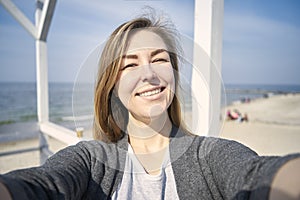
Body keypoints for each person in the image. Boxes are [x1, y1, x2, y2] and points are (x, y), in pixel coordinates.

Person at [1, 14, 300, 200]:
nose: (148, 74)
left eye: (159, 59)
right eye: (130, 65)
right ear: (113, 87)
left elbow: (255, 175)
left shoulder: (209, 157)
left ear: (173, 73)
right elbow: (43, 185)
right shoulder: (91, 161)